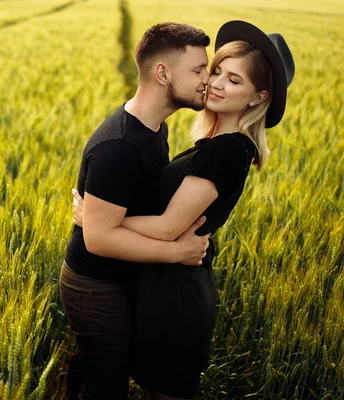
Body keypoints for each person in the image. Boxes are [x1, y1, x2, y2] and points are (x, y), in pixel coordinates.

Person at [71, 20, 296, 399]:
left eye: (234, 80)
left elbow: (167, 227)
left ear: (258, 98)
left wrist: (97, 218)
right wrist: (100, 219)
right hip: (159, 284)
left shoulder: (226, 151)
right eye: (215, 71)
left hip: (176, 296)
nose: (215, 83)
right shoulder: (208, 142)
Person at [59, 23, 214, 400]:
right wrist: (177, 252)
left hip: (119, 280)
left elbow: (114, 219)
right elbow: (98, 239)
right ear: (163, 73)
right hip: (95, 286)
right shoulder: (120, 147)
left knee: (103, 370)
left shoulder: (153, 128)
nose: (208, 79)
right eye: (198, 69)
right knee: (107, 389)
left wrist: (98, 217)